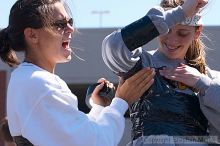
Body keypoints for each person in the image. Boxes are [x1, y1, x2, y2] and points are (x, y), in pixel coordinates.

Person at [0, 0, 155, 146]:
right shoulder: (39, 83)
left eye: (70, 22)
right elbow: (96, 142)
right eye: (60, 24)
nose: (71, 28)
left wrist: (99, 107)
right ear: (32, 35)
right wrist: (121, 101)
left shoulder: (25, 79)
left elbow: (77, 135)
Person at [102, 0, 220, 145]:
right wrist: (180, 13)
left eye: (182, 33)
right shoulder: (141, 63)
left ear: (197, 32)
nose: (172, 40)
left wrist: (203, 84)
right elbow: (113, 46)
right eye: (166, 29)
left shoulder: (210, 77)